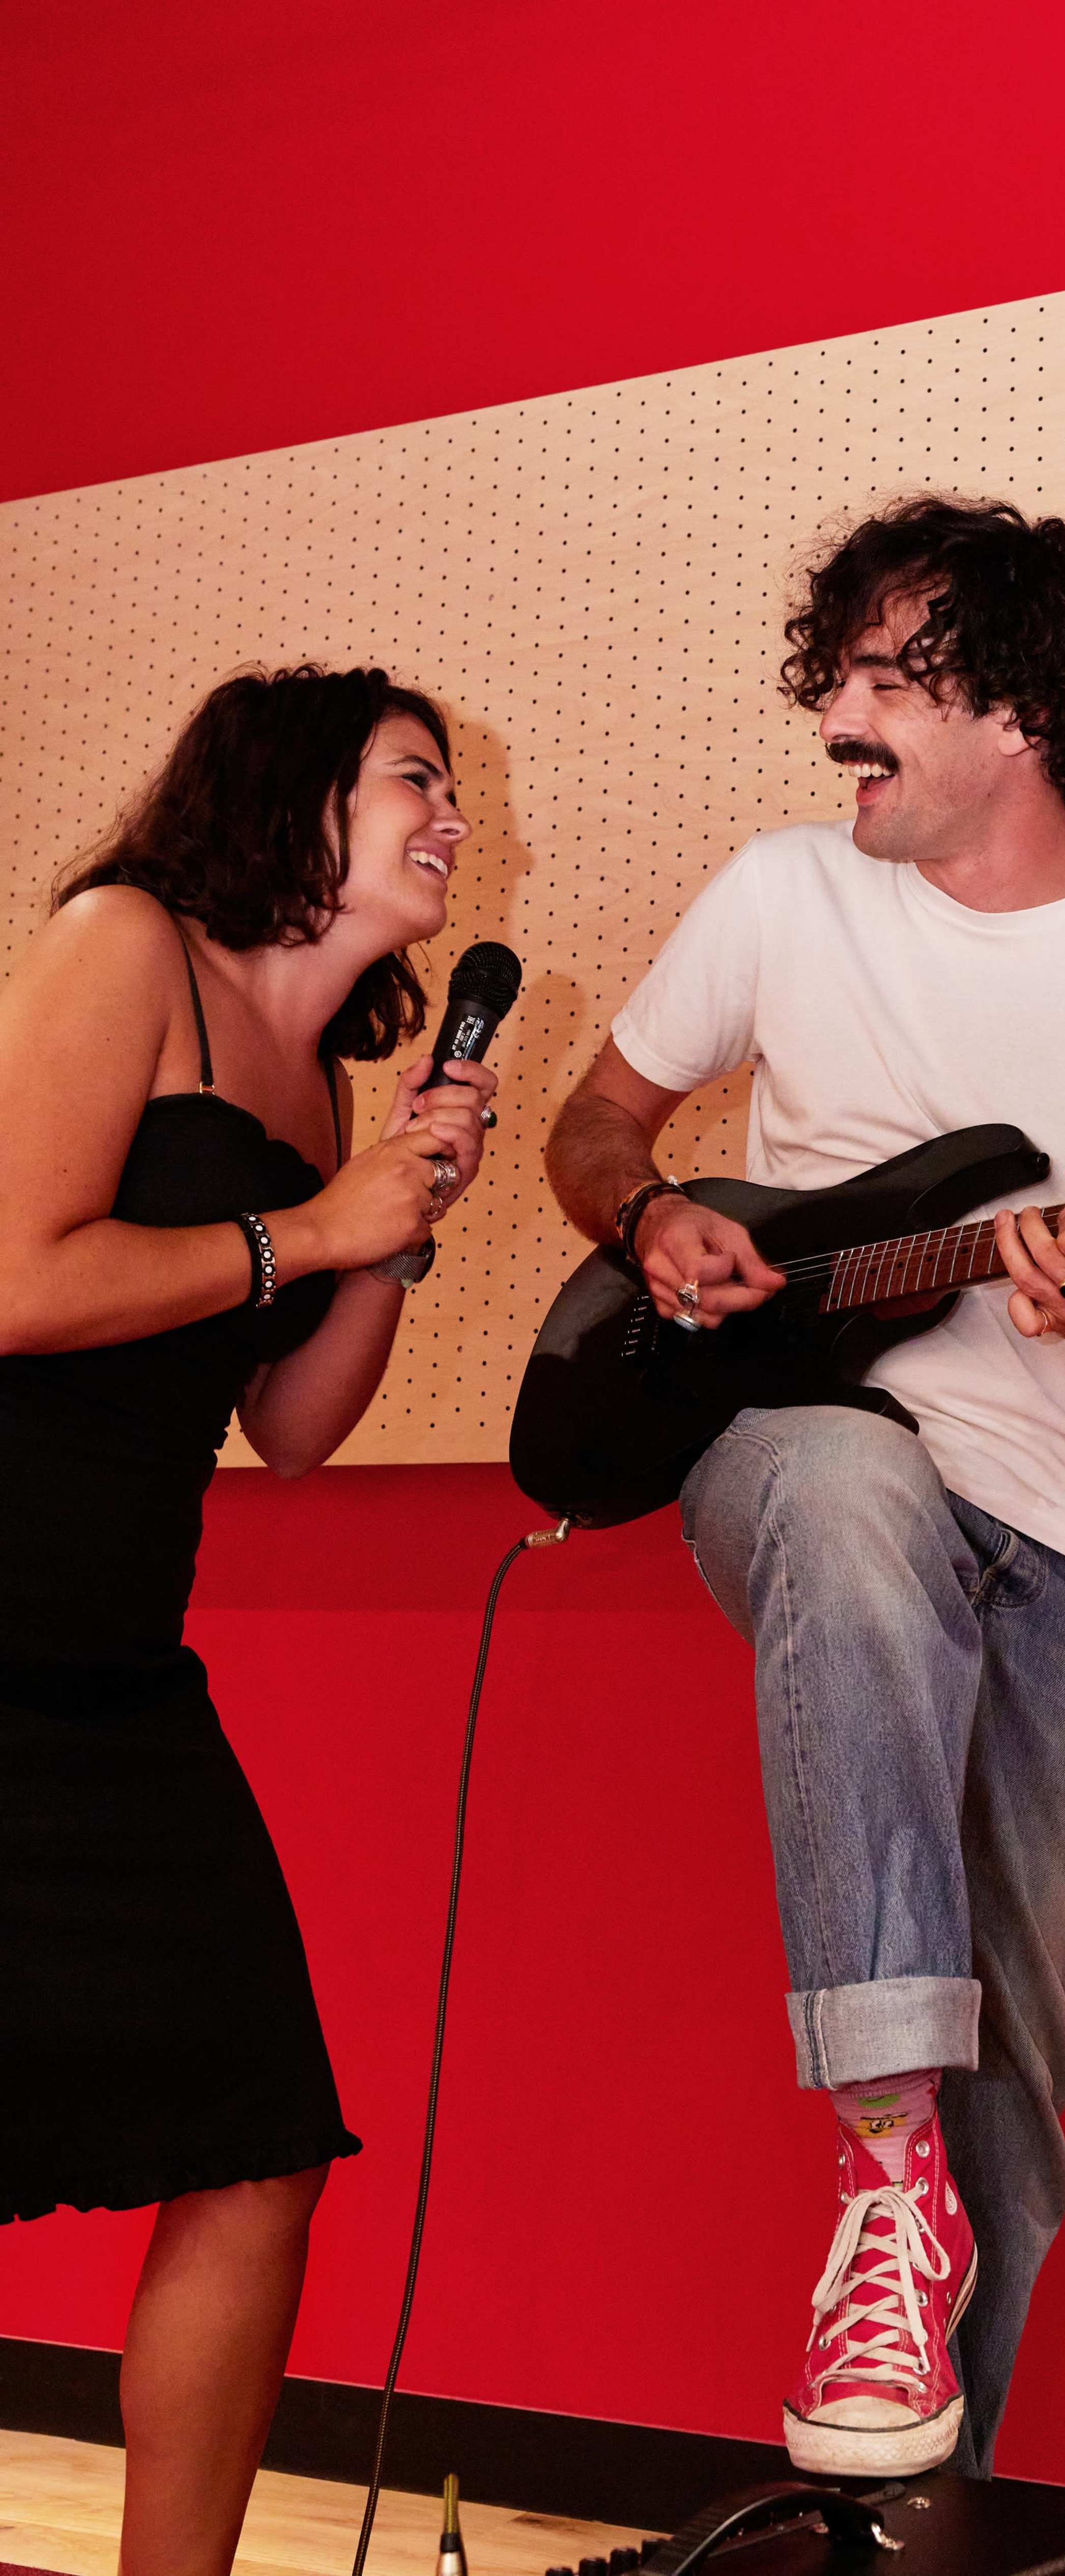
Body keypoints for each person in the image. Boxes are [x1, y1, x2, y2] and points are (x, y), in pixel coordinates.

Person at [544, 497, 1065, 2477]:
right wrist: (647, 1226)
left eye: (893, 683)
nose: (838, 724)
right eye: (841, 677)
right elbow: (603, 1122)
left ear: (1029, 712)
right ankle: (880, 2152)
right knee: (851, 1500)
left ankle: (920, 2480)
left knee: (1014, 2096)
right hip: (791, 1446)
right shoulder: (785, 894)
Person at [0, 666, 498, 2576]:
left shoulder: (328, 1088)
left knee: (258, 2140)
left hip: (114, 1667)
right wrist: (316, 1232)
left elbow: (290, 1431)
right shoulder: (125, 944)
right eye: (413, 780)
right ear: (292, 799)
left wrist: (404, 1219)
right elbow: (22, 1282)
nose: (448, 815)